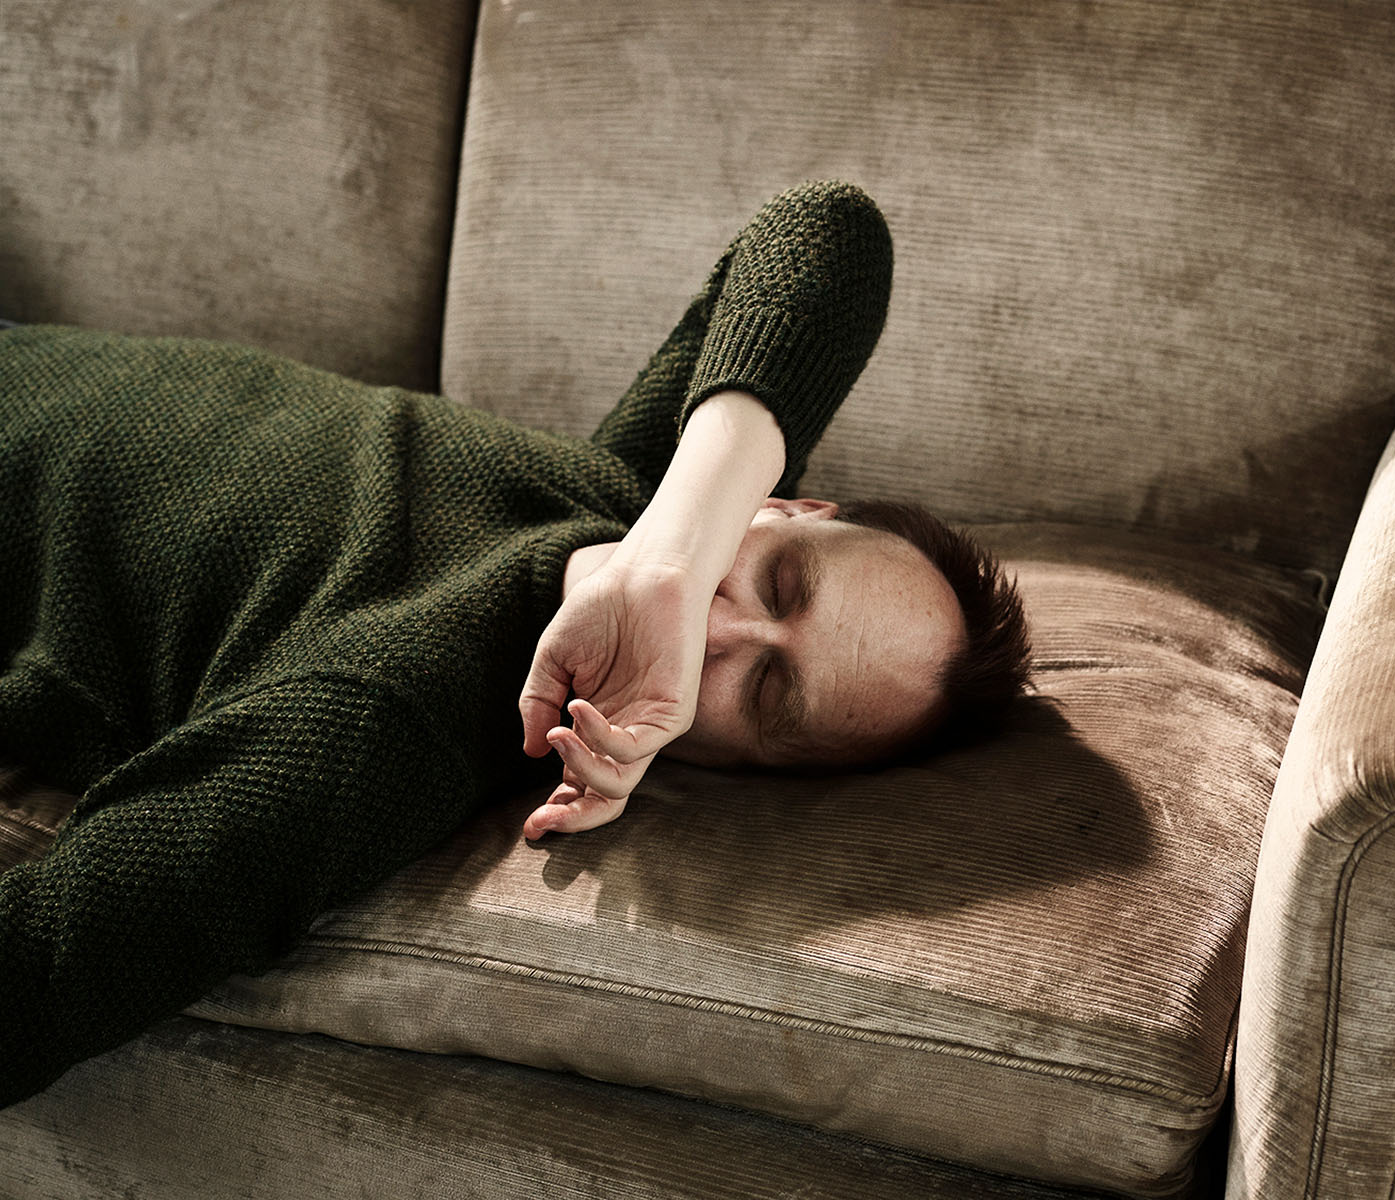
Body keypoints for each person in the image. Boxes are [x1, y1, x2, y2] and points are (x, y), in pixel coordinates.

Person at [0, 181, 1030, 1108]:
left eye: (764, 690)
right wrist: (662, 558)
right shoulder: (634, 495)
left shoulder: (379, 731)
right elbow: (828, 228)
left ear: (729, 765)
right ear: (786, 504)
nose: (718, 622)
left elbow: (36, 980)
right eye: (781, 580)